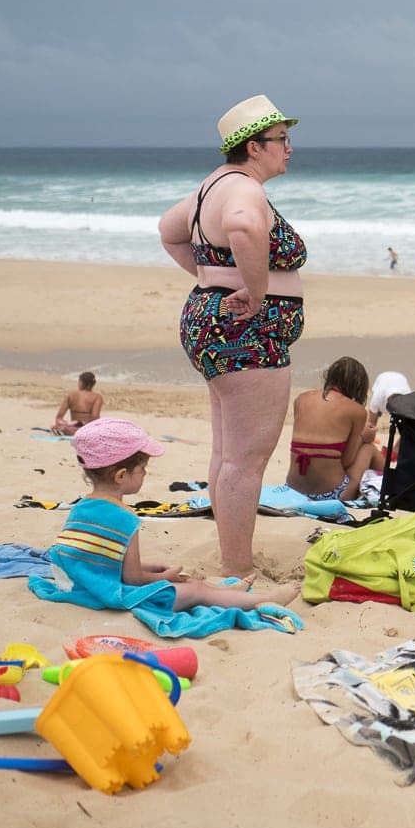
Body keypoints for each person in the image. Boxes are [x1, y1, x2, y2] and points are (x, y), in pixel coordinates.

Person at [158, 93, 306, 577]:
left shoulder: (211, 186)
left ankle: (231, 556)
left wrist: (210, 279)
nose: (290, 148)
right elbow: (243, 227)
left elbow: (169, 229)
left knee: (228, 453)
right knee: (247, 458)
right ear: (254, 147)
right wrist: (257, 292)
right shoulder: (244, 190)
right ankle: (237, 567)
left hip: (213, 322)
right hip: (248, 331)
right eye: (282, 139)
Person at [29, 419, 299, 614]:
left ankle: (229, 593)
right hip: (112, 594)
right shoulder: (124, 517)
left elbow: (97, 557)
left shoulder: (81, 507)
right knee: (195, 591)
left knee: (176, 576)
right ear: (121, 475)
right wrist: (162, 576)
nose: (145, 475)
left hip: (84, 583)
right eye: (143, 469)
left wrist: (152, 569)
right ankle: (268, 598)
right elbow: (133, 579)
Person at [286, 357, 377, 501]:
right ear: (358, 385)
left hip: (292, 490)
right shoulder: (357, 411)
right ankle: (392, 483)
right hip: (330, 495)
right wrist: (363, 437)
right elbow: (346, 461)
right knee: (369, 449)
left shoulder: (301, 399)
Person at [51, 371, 103, 436]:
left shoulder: (71, 395)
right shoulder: (97, 397)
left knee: (59, 425)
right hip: (88, 429)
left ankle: (67, 429)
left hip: (72, 428)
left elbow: (59, 418)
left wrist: (67, 424)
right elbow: (95, 417)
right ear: (92, 384)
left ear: (81, 382)